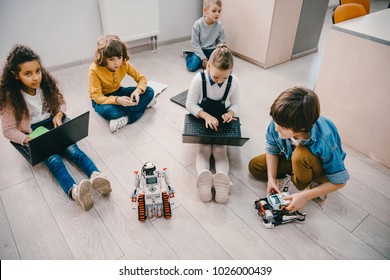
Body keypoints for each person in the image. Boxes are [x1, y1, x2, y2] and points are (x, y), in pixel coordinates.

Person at [0, 45, 112, 211]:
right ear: (15, 75)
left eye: (37, 71)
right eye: (28, 74)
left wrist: (59, 114)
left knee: (74, 151)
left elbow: (61, 102)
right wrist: (27, 139)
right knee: (54, 160)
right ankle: (75, 192)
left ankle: (96, 176)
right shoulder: (11, 97)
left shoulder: (46, 84)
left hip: (53, 123)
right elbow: (8, 130)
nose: (36, 77)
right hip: (33, 132)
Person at [248, 87, 350, 212]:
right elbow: (272, 150)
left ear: (301, 128)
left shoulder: (324, 139)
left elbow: (340, 181)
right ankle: (294, 179)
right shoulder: (280, 121)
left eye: (282, 127)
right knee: (255, 166)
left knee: (301, 154)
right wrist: (271, 179)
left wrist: (304, 196)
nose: (276, 129)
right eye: (275, 122)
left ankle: (307, 187)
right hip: (291, 157)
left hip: (318, 167)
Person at [186, 45, 240, 203]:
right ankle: (204, 179)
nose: (220, 81)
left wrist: (231, 113)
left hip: (222, 121)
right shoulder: (198, 79)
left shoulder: (234, 82)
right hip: (202, 119)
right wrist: (205, 116)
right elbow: (190, 104)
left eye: (225, 77)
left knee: (219, 149)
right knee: (203, 148)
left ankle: (223, 181)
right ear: (208, 66)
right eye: (216, 77)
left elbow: (237, 105)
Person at [88, 35, 155, 132]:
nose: (117, 63)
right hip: (101, 98)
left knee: (149, 91)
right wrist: (117, 100)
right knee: (110, 112)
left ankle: (127, 118)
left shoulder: (124, 63)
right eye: (111, 59)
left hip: (118, 91)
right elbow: (97, 97)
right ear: (104, 58)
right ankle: (142, 105)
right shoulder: (94, 70)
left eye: (119, 57)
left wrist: (137, 91)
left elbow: (142, 78)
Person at [184, 0, 226, 72]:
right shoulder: (197, 25)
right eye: (214, 11)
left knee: (224, 65)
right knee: (192, 67)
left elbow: (221, 41)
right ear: (205, 10)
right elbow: (195, 44)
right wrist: (203, 58)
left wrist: (221, 47)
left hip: (213, 50)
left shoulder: (220, 25)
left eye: (219, 11)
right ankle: (189, 55)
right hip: (200, 49)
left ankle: (205, 62)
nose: (217, 14)